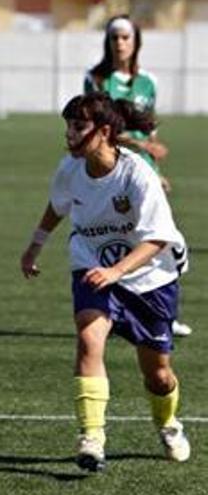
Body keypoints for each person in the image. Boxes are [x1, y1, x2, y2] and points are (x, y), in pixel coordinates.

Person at [20, 92, 191, 472]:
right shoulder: (70, 169)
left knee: (159, 375)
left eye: (78, 126)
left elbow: (158, 238)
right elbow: (58, 205)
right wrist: (35, 245)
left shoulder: (137, 174)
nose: (69, 134)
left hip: (150, 277)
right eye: (67, 125)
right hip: (93, 264)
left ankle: (167, 423)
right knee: (88, 337)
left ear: (104, 131)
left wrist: (118, 272)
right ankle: (92, 437)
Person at [83, 15, 192, 337]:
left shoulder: (148, 82)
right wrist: (137, 144)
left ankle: (164, 316)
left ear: (136, 42)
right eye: (115, 37)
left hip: (144, 173)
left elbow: (150, 132)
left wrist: (157, 171)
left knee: (163, 241)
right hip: (113, 170)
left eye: (126, 37)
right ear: (108, 41)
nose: (120, 43)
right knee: (117, 240)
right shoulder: (97, 79)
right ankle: (109, 312)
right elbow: (98, 130)